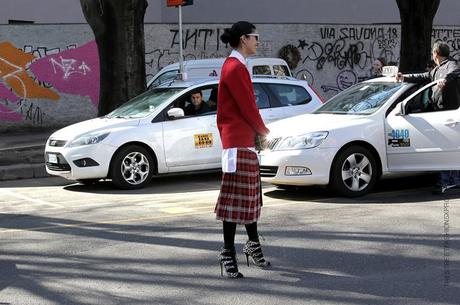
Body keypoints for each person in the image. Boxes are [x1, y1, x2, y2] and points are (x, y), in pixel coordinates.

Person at [215, 21, 270, 278]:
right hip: (238, 143)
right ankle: (228, 253)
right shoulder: (235, 67)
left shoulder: (236, 65)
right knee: (235, 203)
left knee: (248, 200)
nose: (258, 41)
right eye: (255, 37)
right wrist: (264, 132)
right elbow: (248, 107)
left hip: (241, 142)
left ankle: (252, 246)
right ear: (243, 39)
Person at [396, 42, 460, 194]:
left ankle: (448, 182)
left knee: (446, 149)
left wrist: (446, 79)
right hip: (438, 115)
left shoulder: (450, 64)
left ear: (436, 53)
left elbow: (456, 72)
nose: (432, 54)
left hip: (448, 115)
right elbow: (423, 76)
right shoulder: (436, 70)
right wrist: (404, 77)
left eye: (433, 52)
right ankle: (449, 181)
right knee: (445, 149)